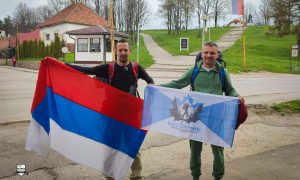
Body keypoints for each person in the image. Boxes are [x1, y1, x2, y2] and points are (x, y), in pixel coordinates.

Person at [66, 38, 154, 180]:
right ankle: (109, 176)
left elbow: (150, 81)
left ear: (130, 51)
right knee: (110, 148)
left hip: (131, 116)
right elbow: (86, 70)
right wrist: (63, 65)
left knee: (133, 147)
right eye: (120, 50)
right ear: (115, 52)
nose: (123, 52)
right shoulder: (108, 68)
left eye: (125, 49)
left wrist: (150, 88)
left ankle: (136, 175)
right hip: (111, 116)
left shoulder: (136, 68)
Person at [160, 41, 244, 180]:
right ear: (201, 53)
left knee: (218, 152)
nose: (209, 55)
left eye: (212, 53)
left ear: (217, 55)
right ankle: (195, 177)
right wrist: (157, 88)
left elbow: (230, 90)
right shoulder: (194, 70)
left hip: (216, 118)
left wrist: (237, 96)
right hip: (195, 118)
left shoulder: (222, 72)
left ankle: (218, 177)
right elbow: (177, 83)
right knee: (194, 152)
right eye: (206, 52)